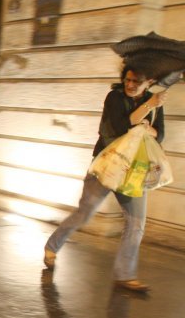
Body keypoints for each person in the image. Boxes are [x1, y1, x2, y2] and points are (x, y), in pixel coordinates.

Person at [43, 64, 167, 292]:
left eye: (136, 82)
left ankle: (125, 275)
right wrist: (148, 107)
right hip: (107, 164)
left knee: (136, 222)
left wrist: (150, 128)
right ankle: (51, 247)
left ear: (148, 81)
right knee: (85, 213)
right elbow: (121, 125)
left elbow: (160, 135)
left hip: (133, 170)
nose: (130, 85)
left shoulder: (155, 102)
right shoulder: (115, 97)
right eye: (128, 80)